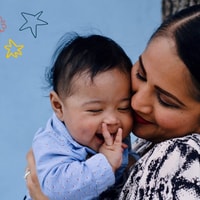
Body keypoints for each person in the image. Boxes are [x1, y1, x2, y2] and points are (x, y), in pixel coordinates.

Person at [25, 4, 200, 200]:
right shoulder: (58, 142)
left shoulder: (188, 158)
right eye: (141, 75)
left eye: (165, 100)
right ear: (58, 106)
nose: (136, 103)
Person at [24, 33, 137, 200]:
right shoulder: (52, 142)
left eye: (123, 107)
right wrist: (105, 163)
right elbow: (55, 188)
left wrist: (131, 164)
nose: (113, 120)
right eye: (95, 110)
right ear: (58, 106)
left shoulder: (110, 136)